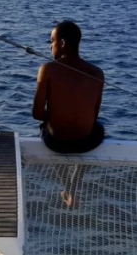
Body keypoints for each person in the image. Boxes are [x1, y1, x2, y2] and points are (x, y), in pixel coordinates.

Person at [33, 21, 105, 207]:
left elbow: (37, 113)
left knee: (45, 128)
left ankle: (67, 187)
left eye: (52, 41)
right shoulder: (97, 73)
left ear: (62, 43)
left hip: (57, 142)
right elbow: (94, 115)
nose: (50, 46)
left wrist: (56, 115)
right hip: (87, 143)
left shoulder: (47, 69)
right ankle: (73, 187)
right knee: (99, 128)